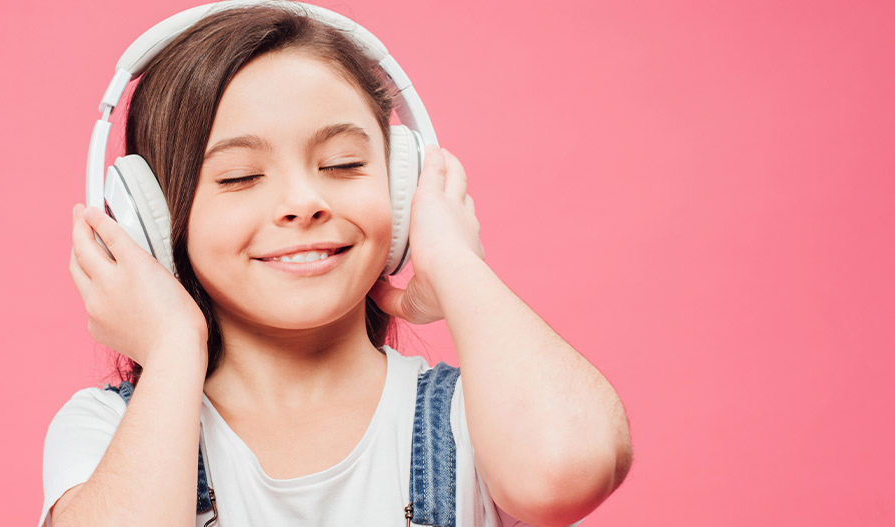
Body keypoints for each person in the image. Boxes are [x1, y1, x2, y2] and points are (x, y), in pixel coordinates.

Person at [46, 2, 632, 526]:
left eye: (344, 164)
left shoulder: (475, 420)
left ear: (405, 187)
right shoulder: (107, 433)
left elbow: (566, 472)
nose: (304, 203)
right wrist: (174, 345)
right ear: (153, 219)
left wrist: (454, 263)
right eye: (240, 176)